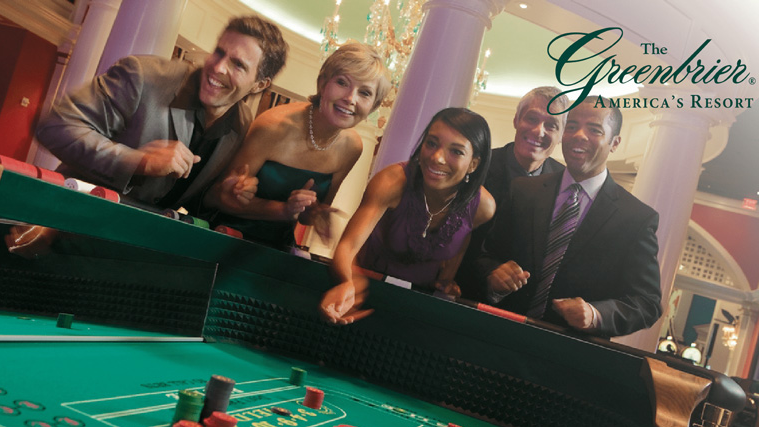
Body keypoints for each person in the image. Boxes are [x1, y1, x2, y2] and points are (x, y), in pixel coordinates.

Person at [36, 16, 288, 216]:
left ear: (259, 85)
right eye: (219, 52)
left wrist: (220, 195)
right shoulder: (143, 75)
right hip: (60, 220)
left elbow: (192, 200)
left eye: (238, 64)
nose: (218, 67)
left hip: (125, 252)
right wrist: (139, 161)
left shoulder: (242, 125)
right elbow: (55, 126)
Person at [476, 98, 662, 337]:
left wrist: (595, 315)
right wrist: (493, 275)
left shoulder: (636, 218)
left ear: (614, 143)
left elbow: (647, 303)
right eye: (572, 126)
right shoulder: (523, 190)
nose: (579, 135)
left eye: (594, 130)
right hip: (499, 334)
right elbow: (486, 256)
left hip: (568, 355)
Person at [321, 108, 496, 324]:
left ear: (474, 164)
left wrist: (446, 281)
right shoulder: (391, 181)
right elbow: (347, 248)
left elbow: (459, 245)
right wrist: (347, 282)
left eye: (456, 151)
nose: (437, 157)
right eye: (431, 143)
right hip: (362, 291)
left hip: (416, 308)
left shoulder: (483, 207)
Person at [208, 42, 391, 248]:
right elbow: (215, 197)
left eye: (365, 93)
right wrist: (283, 209)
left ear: (373, 106)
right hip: (225, 237)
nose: (350, 98)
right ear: (322, 83)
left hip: (279, 248)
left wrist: (314, 212)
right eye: (342, 82)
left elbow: (307, 217)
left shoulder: (352, 147)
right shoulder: (273, 126)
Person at [455, 86, 567, 301]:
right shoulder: (475, 167)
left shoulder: (566, 185)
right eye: (532, 118)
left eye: (551, 125)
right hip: (460, 293)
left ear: (561, 135)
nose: (539, 131)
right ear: (516, 120)